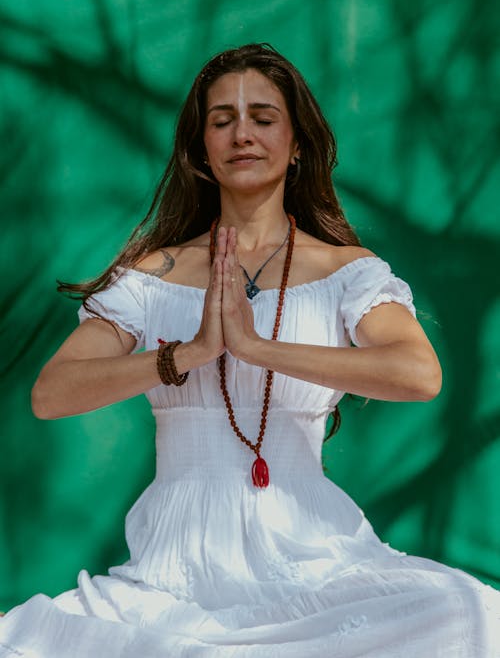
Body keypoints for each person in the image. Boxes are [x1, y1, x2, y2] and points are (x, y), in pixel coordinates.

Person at [1, 43, 498, 657]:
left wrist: (259, 348)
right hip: (175, 563)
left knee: (469, 613)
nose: (242, 134)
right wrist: (186, 353)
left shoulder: (348, 272)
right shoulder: (152, 276)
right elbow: (51, 394)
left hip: (315, 552)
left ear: (296, 145)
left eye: (263, 118)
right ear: (201, 150)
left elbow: (419, 373)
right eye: (222, 120)